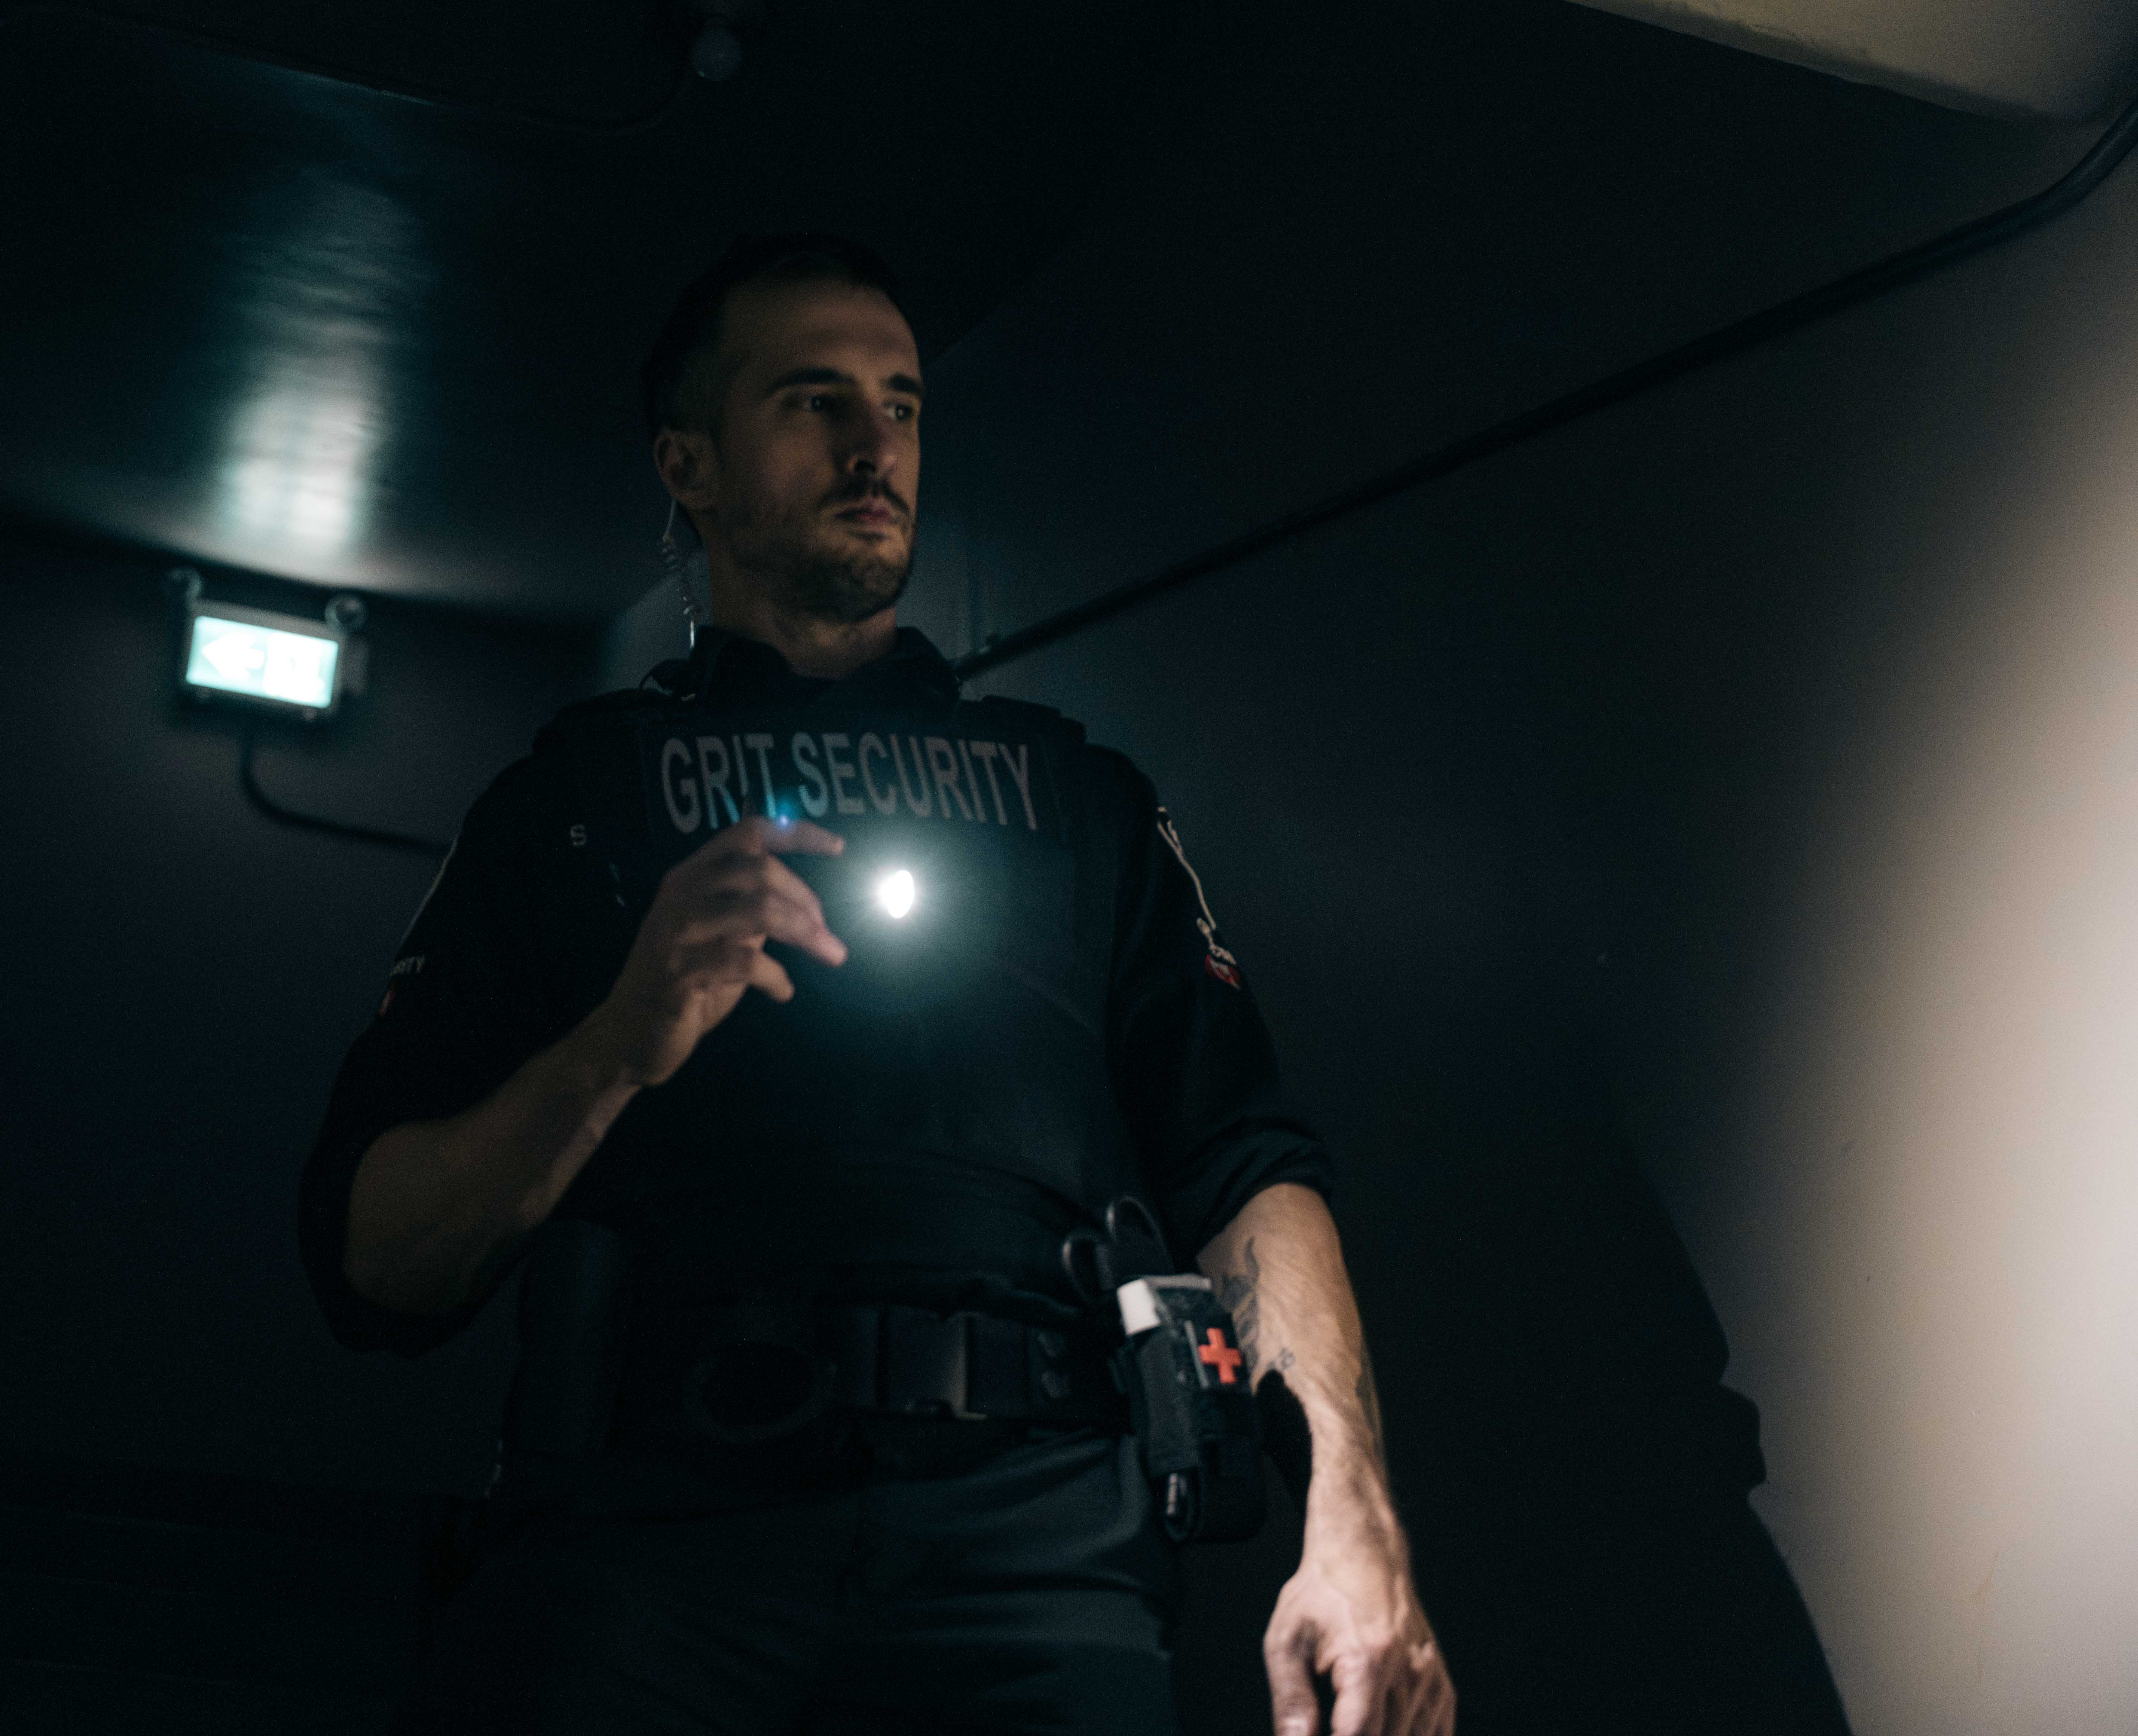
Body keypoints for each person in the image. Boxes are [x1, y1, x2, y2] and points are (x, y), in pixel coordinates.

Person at [301, 234, 1455, 1736]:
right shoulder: (579, 796)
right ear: (690, 463)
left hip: (1037, 1556)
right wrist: (613, 1045)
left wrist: (1354, 1519)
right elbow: (374, 1258)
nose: (873, 447)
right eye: (812, 400)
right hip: (656, 1551)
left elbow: (1244, 1161)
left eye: (902, 404)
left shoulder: (1075, 797)